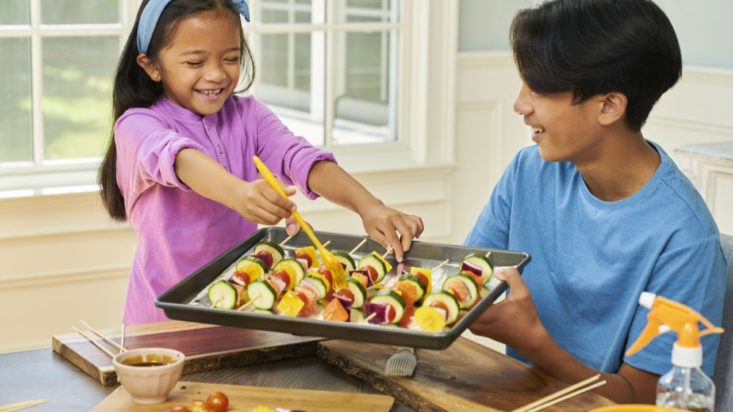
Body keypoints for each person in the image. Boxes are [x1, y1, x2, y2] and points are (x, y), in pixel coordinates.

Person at [465, 0, 727, 404]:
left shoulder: (685, 241)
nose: (520, 104)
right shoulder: (528, 172)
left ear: (608, 106)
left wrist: (533, 342)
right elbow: (465, 275)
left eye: (537, 87)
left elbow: (640, 400)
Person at [98, 0, 423, 325]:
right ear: (152, 66)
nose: (216, 74)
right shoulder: (136, 126)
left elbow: (301, 159)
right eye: (195, 62)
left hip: (243, 314)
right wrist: (239, 194)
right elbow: (177, 157)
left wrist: (369, 206)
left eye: (231, 58)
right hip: (163, 325)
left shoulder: (248, 115)